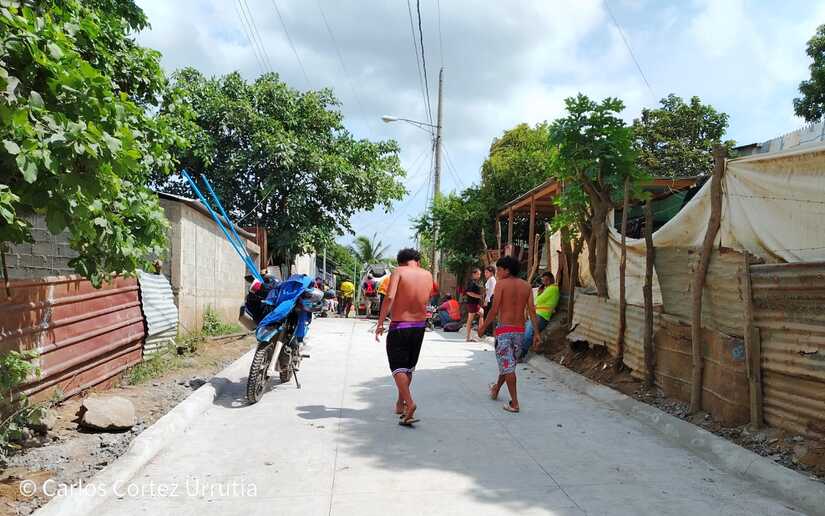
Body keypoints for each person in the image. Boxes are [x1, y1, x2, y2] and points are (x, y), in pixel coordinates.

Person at [375, 248, 432, 426]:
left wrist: (380, 322)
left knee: (397, 367)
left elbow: (389, 297)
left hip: (401, 325)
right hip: (419, 326)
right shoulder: (428, 275)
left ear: (401, 261)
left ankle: (410, 403)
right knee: (407, 368)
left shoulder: (399, 271)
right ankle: (401, 404)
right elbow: (428, 298)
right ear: (417, 261)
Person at [477, 255, 540, 414]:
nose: (497, 273)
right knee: (509, 365)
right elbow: (532, 310)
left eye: (499, 269)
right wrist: (536, 333)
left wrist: (483, 327)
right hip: (520, 331)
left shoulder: (501, 284)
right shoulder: (527, 286)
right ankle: (496, 388)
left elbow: (494, 310)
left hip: (504, 330)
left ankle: (515, 403)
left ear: (507, 270)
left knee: (508, 367)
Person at [519, 271, 560, 361]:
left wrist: (538, 296)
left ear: (551, 279)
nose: (544, 282)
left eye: (546, 280)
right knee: (526, 330)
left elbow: (537, 300)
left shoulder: (553, 288)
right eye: (543, 280)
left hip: (542, 316)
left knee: (528, 332)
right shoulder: (547, 288)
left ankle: (521, 354)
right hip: (538, 315)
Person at [464, 268, 483, 341]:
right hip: (472, 303)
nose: (479, 275)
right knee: (480, 314)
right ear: (473, 274)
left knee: (471, 319)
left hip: (472, 303)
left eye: (480, 274)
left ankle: (469, 337)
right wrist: (479, 296)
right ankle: (478, 335)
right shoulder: (472, 282)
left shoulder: (474, 282)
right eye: (478, 274)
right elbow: (468, 292)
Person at [482, 265, 496, 336]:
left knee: (487, 315)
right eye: (485, 272)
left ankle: (488, 331)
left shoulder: (491, 279)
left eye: (487, 272)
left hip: (490, 299)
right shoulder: (491, 279)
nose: (485, 274)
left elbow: (490, 291)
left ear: (491, 272)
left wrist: (486, 300)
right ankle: (487, 330)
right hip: (490, 298)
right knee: (487, 314)